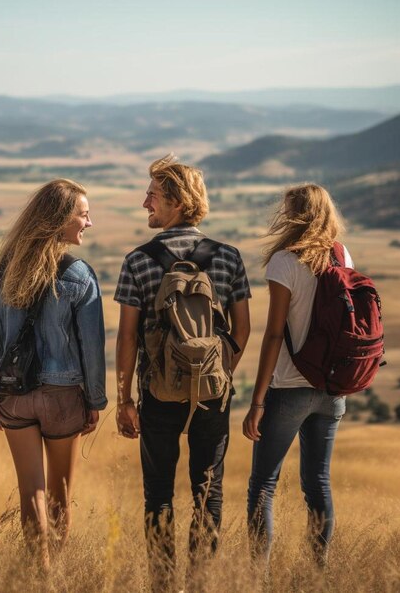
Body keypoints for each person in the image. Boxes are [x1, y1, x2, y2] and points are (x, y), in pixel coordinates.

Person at [114, 154, 251, 590]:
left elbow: (127, 338)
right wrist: (216, 370)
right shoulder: (228, 257)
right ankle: (201, 583)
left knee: (158, 493)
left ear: (176, 200)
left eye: (152, 195)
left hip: (157, 393)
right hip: (213, 393)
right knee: (207, 491)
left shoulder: (138, 260)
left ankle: (162, 584)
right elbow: (243, 327)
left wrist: (125, 399)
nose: (144, 203)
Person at [0, 178, 107, 571]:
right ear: (60, 220)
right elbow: (92, 346)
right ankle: (54, 574)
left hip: (14, 394)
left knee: (31, 493)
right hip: (63, 395)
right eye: (83, 215)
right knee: (59, 493)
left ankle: (37, 572)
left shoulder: (7, 267)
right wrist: (95, 401)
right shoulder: (80, 275)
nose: (89, 222)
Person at [243, 183, 349, 566]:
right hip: (332, 389)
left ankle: (258, 578)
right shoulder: (342, 255)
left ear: (295, 214)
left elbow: (274, 334)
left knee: (263, 485)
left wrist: (257, 402)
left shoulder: (284, 262)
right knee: (317, 484)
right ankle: (317, 573)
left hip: (289, 387)